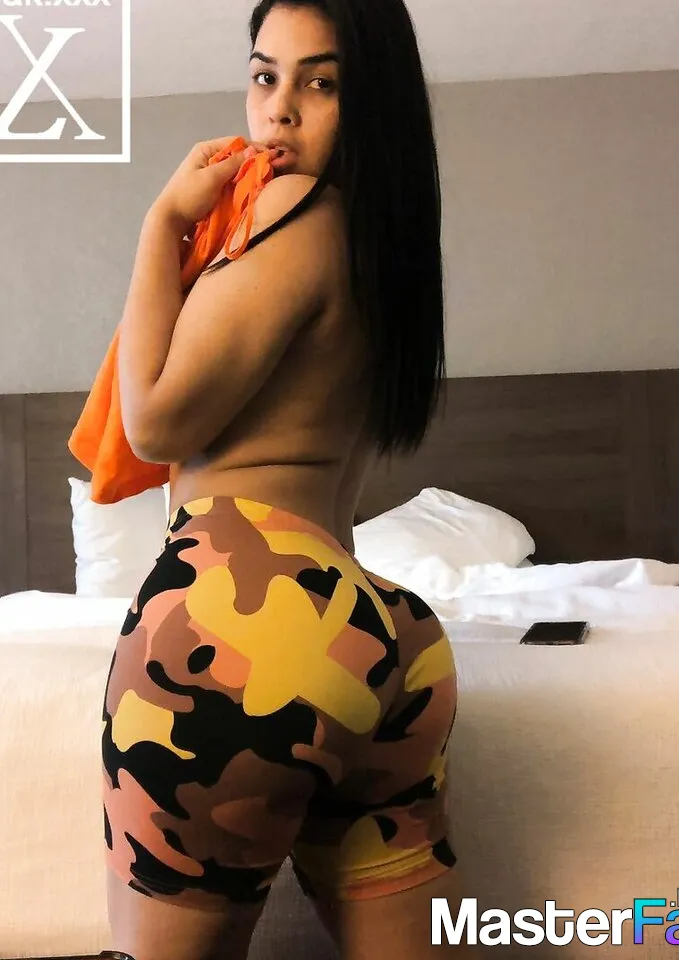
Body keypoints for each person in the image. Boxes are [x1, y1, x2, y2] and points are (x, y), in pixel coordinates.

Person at [101, 1, 473, 957]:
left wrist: (161, 223)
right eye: (266, 76)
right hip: (382, 636)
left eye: (323, 82)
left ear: (370, 100)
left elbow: (155, 421)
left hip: (238, 615)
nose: (280, 110)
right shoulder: (384, 245)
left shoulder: (293, 210)